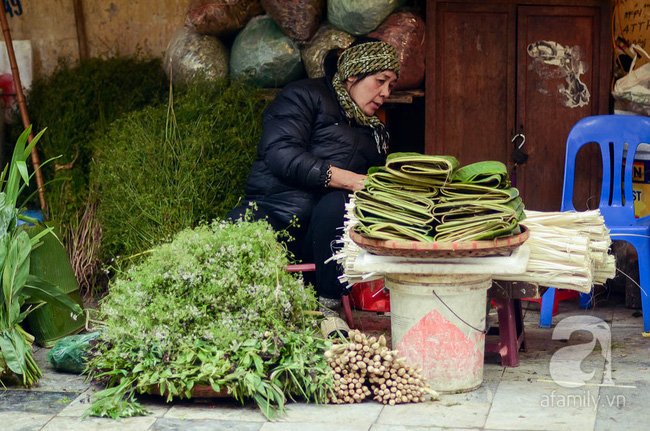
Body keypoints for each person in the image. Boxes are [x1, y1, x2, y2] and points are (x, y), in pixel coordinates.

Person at [227, 38, 399, 336]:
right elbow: (281, 153)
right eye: (380, 81)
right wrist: (353, 180)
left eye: (391, 86)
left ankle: (327, 307)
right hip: (274, 219)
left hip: (324, 242)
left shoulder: (375, 132)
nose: (385, 93)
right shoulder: (304, 95)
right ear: (353, 74)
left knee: (343, 204)